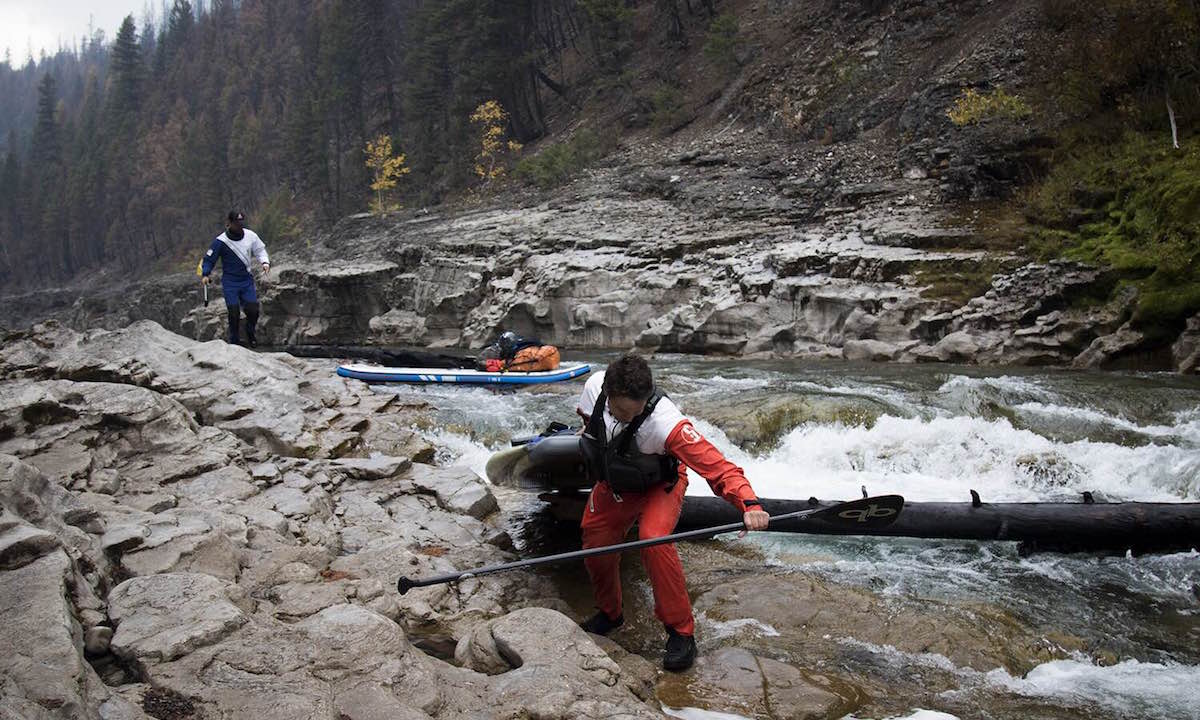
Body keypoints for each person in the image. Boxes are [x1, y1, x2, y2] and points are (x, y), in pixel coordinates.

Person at [574, 353, 769, 671]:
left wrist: (749, 504)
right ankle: (610, 613)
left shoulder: (667, 423)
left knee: (653, 540)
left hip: (660, 486)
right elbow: (590, 427)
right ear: (608, 394)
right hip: (615, 482)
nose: (632, 416)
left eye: (637, 410)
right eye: (624, 411)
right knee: (596, 544)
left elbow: (719, 469)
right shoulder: (594, 387)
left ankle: (681, 632)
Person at [200, 211, 270, 347]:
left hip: (246, 280)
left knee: (253, 310)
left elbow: (260, 250)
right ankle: (234, 340)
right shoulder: (220, 241)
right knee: (233, 313)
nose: (240, 225)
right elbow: (209, 260)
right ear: (230, 223)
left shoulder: (251, 236)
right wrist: (205, 274)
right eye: (237, 223)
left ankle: (250, 333)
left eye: (241, 222)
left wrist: (265, 262)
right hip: (230, 282)